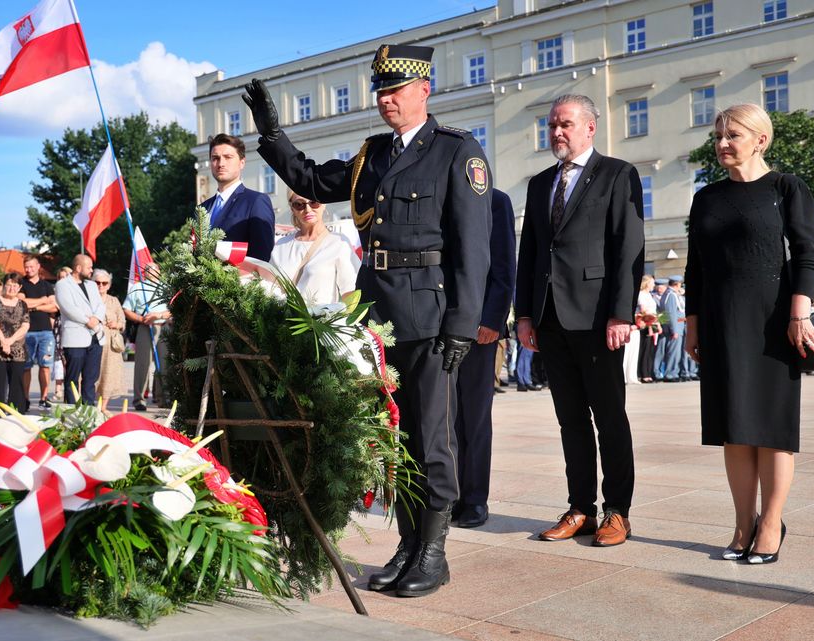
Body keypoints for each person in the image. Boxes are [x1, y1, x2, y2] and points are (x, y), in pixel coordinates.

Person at [244, 42, 492, 597]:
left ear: (424, 89)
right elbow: (309, 179)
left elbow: (473, 248)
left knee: (431, 438)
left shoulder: (457, 151)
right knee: (392, 438)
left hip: (429, 317)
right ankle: (408, 544)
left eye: (396, 90)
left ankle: (433, 552)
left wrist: (462, 323)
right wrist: (271, 135)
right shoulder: (370, 156)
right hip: (376, 315)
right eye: (380, 91)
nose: (386, 100)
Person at [684, 104, 814, 565]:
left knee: (772, 428)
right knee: (734, 429)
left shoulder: (786, 188)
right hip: (721, 321)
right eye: (719, 135)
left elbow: (806, 252)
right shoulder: (706, 198)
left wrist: (799, 314)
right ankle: (743, 523)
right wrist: (692, 324)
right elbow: (695, 268)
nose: (723, 143)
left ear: (760, 139)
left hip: (774, 321)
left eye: (733, 135)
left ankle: (770, 523)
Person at [515, 94, 644, 548]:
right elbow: (529, 250)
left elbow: (628, 247)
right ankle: (580, 508)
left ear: (590, 127)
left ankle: (618, 512)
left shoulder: (617, 174)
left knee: (609, 418)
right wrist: (525, 314)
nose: (556, 133)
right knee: (570, 420)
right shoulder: (539, 183)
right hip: (550, 317)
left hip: (596, 317)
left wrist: (620, 313)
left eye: (565, 124)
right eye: (551, 125)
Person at [452, 188, 516, 529]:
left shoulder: (495, 201)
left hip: (480, 327)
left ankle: (475, 499)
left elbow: (504, 264)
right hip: (439, 323)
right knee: (444, 419)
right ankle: (449, 497)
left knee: (474, 418)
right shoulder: (436, 195)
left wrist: (493, 319)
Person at [268, 191, 358, 305]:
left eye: (314, 202)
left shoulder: (339, 242)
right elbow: (269, 287)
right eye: (299, 204)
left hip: (320, 320)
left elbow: (351, 292)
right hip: (283, 320)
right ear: (292, 209)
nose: (308, 209)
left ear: (323, 204)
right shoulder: (281, 245)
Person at [199, 133, 276, 261]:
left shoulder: (255, 202)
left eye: (228, 157)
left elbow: (262, 257)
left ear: (242, 162)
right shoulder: (203, 208)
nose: (221, 163)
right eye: (215, 158)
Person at [54, 254, 103, 406]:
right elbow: (68, 308)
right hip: (76, 338)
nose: (91, 270)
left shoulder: (92, 285)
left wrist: (96, 319)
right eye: (89, 267)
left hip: (95, 336)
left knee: (90, 379)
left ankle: (88, 411)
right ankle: (73, 413)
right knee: (73, 379)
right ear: (78, 268)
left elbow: (100, 305)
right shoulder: (63, 285)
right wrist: (87, 320)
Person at [122, 264, 172, 411]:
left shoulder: (166, 287)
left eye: (154, 269)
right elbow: (127, 309)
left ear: (159, 271)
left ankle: (163, 397)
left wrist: (159, 315)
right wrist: (140, 318)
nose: (151, 272)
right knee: (142, 365)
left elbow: (173, 310)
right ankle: (139, 399)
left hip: (164, 326)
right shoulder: (138, 288)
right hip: (145, 327)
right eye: (147, 270)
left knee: (164, 364)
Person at [0, 273, 30, 418]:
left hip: (17, 348)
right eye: (9, 284)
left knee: (17, 383)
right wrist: (3, 341)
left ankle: (16, 414)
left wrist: (10, 341)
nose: (12, 288)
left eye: (15, 285)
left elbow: (25, 325)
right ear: (4, 285)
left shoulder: (22, 304)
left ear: (20, 287)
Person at [18, 255, 57, 410]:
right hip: (26, 332)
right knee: (26, 367)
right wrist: (42, 300)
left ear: (38, 266)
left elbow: (54, 307)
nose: (29, 269)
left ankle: (44, 398)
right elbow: (22, 303)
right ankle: (25, 398)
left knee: (45, 366)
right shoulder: (21, 284)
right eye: (26, 267)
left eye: (31, 266)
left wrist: (34, 306)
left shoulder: (47, 285)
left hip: (45, 332)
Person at [93, 268, 126, 405]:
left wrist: (116, 324)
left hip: (111, 345)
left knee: (109, 373)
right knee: (93, 373)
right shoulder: (89, 299)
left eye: (104, 283)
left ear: (109, 285)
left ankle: (103, 406)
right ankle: (91, 403)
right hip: (93, 341)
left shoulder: (114, 301)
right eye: (97, 282)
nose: (101, 285)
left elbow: (123, 321)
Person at [659, 276, 686, 382]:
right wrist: (673, 329)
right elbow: (670, 313)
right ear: (677, 284)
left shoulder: (670, 294)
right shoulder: (671, 295)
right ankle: (670, 374)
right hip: (675, 328)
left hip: (677, 326)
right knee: (673, 352)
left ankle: (674, 372)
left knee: (676, 352)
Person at [635, 275, 659, 384]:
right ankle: (643, 374)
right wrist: (650, 321)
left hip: (653, 321)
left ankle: (648, 373)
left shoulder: (649, 295)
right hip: (646, 322)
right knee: (645, 349)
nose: (653, 285)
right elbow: (643, 310)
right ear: (646, 283)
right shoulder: (641, 294)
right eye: (652, 283)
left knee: (651, 349)